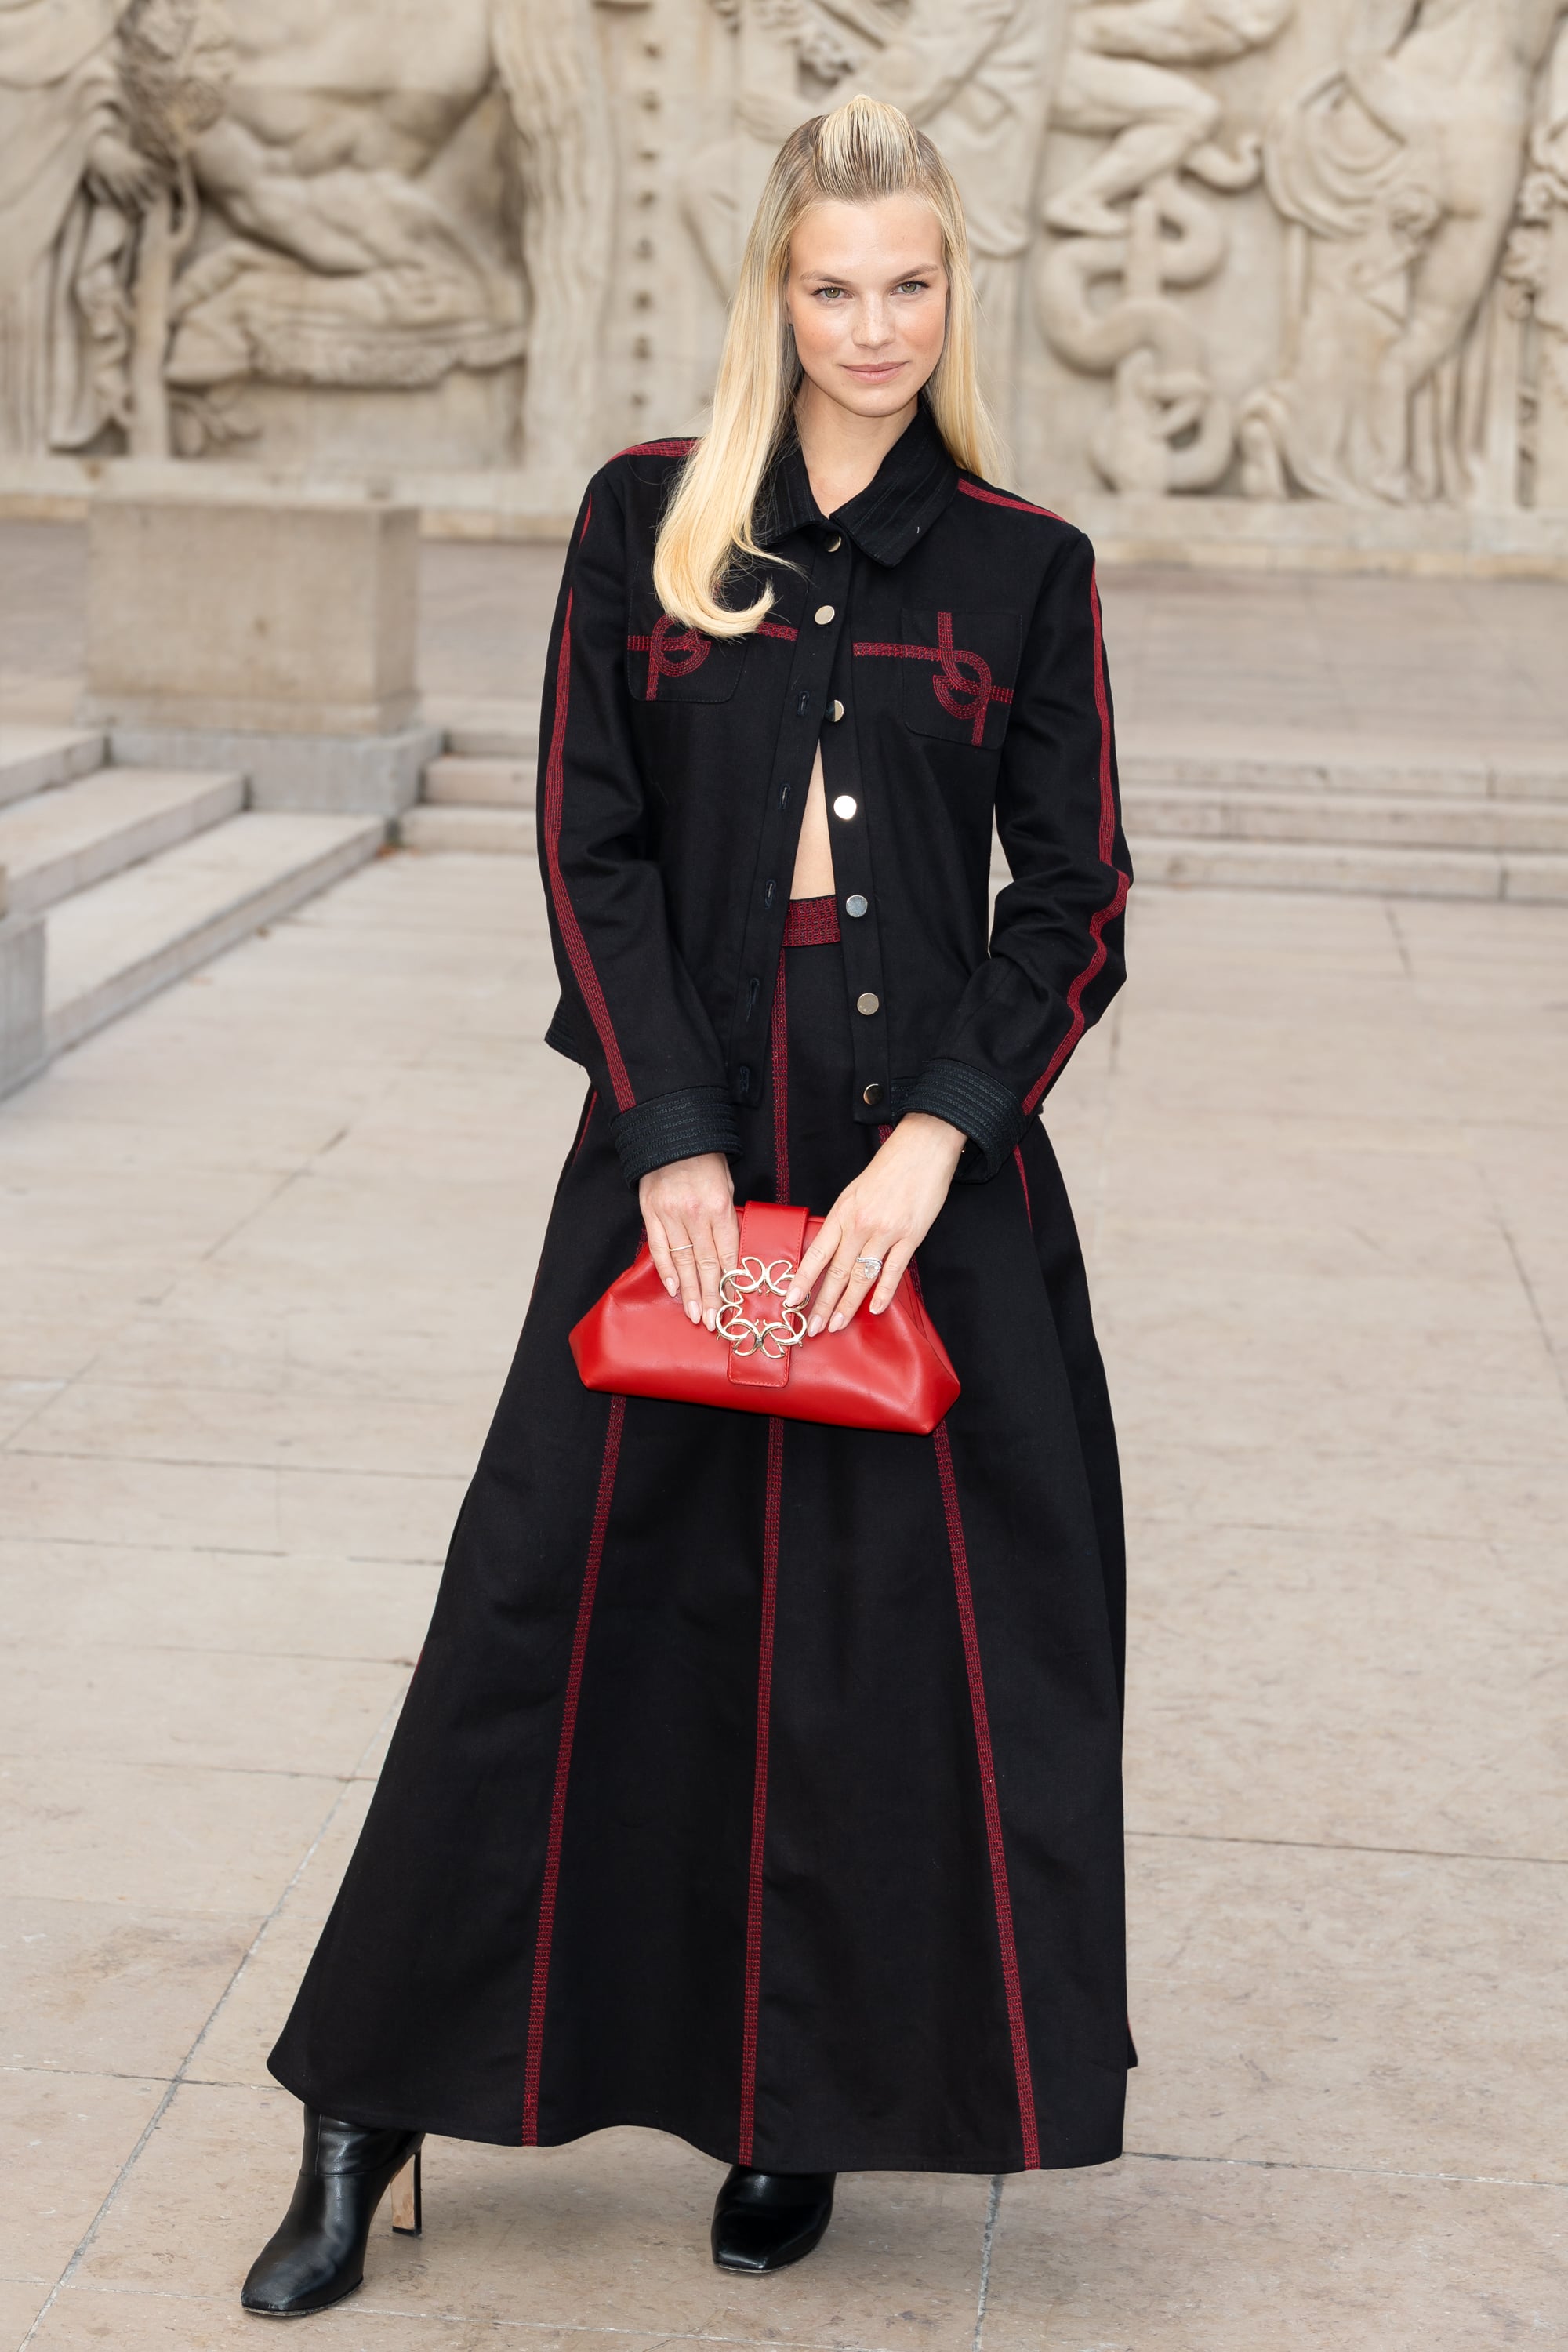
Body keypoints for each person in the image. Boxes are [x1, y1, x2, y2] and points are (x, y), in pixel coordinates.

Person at [241, 93, 1133, 2321]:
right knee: (535, 1632)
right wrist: (675, 1147)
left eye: (909, 282)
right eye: (832, 285)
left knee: (879, 1671)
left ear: (954, 288)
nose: (872, 325)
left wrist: (938, 1149)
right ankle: (368, 2105)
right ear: (775, 290)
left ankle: (790, 2103)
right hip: (681, 1157)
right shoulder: (649, 521)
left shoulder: (1027, 566)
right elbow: (588, 844)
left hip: (918, 1192)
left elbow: (1080, 897)